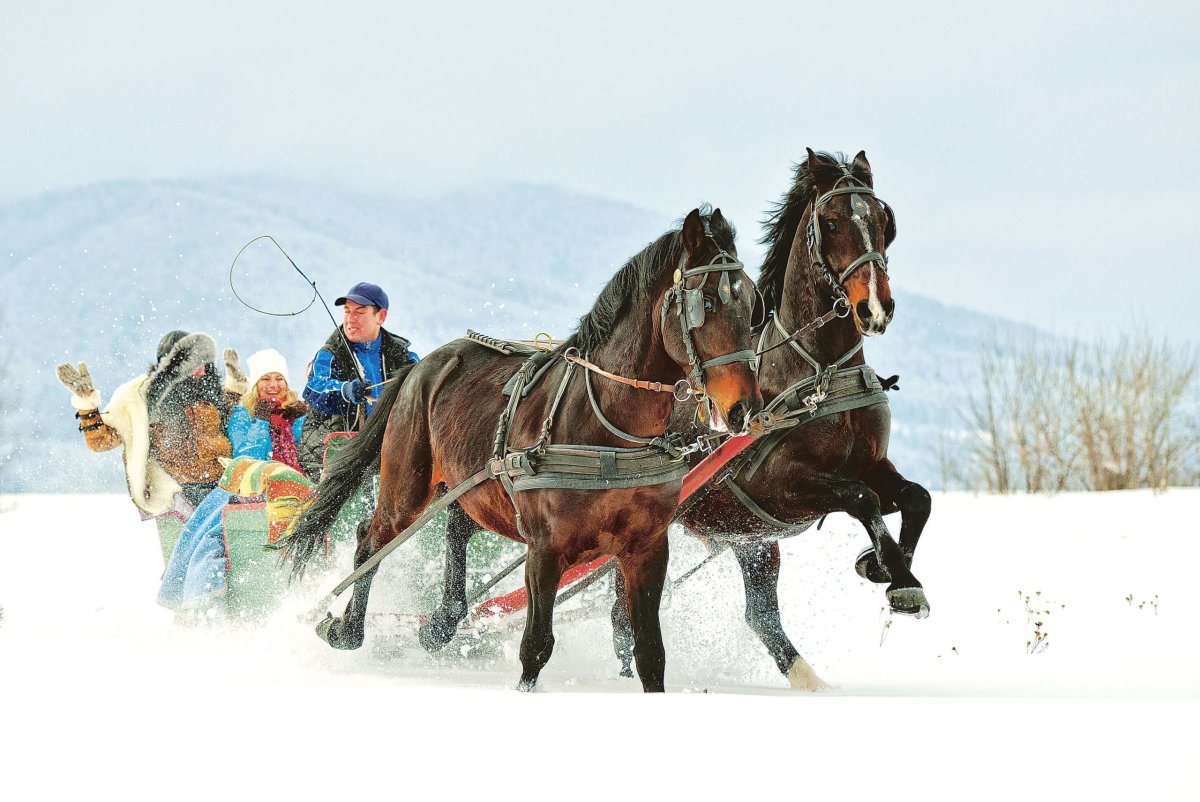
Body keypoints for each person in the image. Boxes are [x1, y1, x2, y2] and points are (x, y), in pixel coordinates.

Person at [56, 331, 238, 514]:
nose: (201, 370)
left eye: (203, 363)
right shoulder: (140, 398)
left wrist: (236, 388)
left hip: (222, 482)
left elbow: (234, 422)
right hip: (181, 493)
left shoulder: (208, 392)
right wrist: (87, 403)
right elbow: (101, 441)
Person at [298, 282, 419, 478]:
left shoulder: (403, 356)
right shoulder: (330, 353)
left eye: (360, 312)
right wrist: (344, 390)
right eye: (347, 311)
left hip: (390, 449)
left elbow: (424, 384)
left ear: (381, 316)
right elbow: (314, 389)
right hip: (331, 453)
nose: (350, 319)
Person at [227, 348, 308, 471]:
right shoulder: (242, 414)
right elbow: (245, 461)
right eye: (265, 379)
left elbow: (306, 456)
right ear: (255, 385)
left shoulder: (296, 412)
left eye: (279, 379)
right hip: (258, 487)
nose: (273, 385)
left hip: (295, 485)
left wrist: (300, 420)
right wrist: (261, 421)